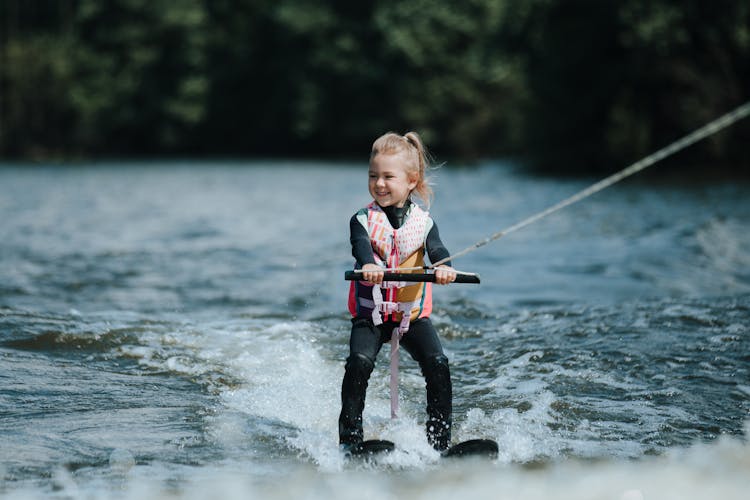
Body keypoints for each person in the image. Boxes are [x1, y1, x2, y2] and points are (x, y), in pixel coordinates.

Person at [339, 131, 457, 453]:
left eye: (388, 177)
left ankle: (439, 444)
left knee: (438, 363)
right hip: (372, 316)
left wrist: (444, 267)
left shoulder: (424, 223)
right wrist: (368, 265)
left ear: (410, 181)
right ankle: (350, 442)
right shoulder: (361, 220)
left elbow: (438, 250)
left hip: (410, 317)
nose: (379, 183)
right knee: (359, 362)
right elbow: (361, 247)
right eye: (373, 175)